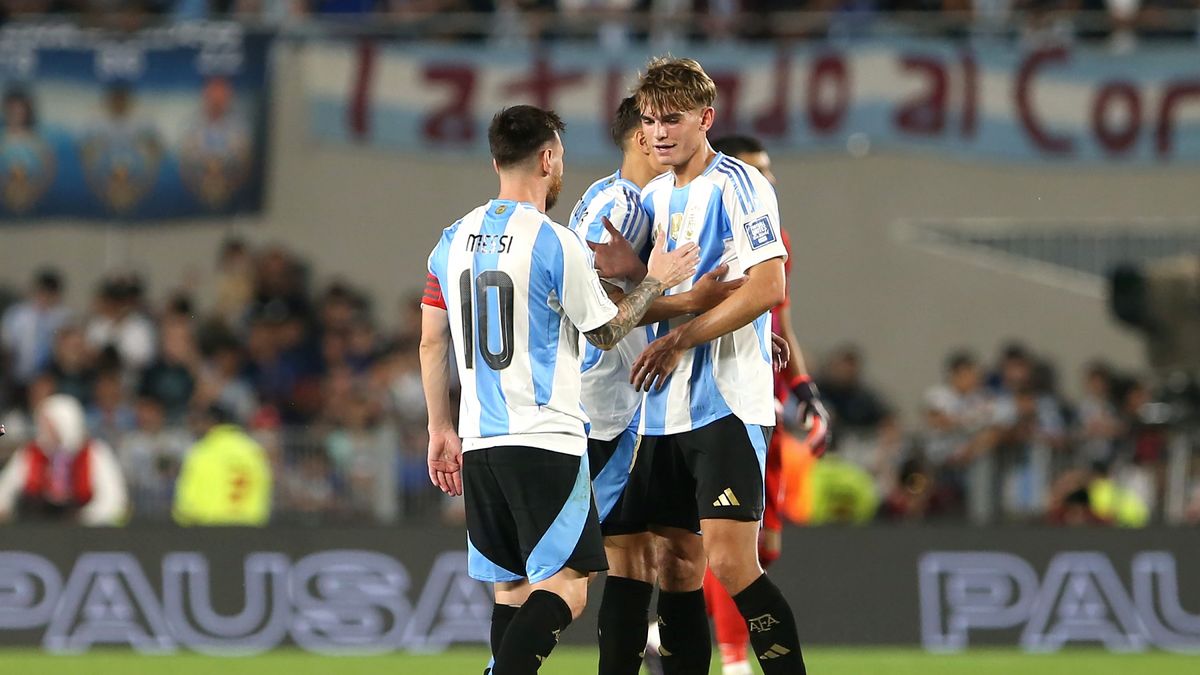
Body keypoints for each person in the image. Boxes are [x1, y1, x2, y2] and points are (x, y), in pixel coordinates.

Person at [419, 104, 698, 675]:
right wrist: (655, 281)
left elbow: (431, 342)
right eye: (562, 156)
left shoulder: (451, 240)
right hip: (545, 437)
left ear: (496, 159)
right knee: (569, 589)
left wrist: (440, 428)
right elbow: (605, 332)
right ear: (548, 159)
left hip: (479, 441)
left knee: (510, 590)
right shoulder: (554, 242)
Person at [626, 57, 808, 674]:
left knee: (731, 563)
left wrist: (680, 338)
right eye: (649, 121)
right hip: (658, 411)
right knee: (677, 565)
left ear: (706, 119)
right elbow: (645, 301)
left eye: (671, 119)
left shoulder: (740, 184)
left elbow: (767, 287)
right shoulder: (651, 196)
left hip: (725, 405)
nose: (658, 133)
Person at [568, 97, 745, 675]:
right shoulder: (622, 203)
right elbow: (599, 313)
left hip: (644, 406)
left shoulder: (640, 201)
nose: (667, 137)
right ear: (642, 139)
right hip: (611, 411)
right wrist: (692, 301)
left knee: (660, 560)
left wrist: (742, 328)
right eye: (657, 125)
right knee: (632, 562)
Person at [683, 133, 830, 675]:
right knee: (723, 551)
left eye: (769, 171)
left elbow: (778, 318)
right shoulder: (693, 230)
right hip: (704, 406)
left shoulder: (774, 239)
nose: (766, 182)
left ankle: (664, 635)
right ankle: (735, 661)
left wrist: (803, 387)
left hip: (758, 405)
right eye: (754, 172)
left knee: (759, 549)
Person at [0, 394, 127, 526]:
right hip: (36, 528)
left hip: (84, 532)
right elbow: (5, 489)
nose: (44, 430)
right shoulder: (30, 453)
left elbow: (114, 501)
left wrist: (83, 519)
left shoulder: (95, 453)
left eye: (50, 425)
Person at [173, 404, 272, 526]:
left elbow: (186, 504)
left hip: (211, 532)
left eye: (198, 423)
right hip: (250, 532)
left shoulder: (202, 451)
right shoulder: (253, 450)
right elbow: (264, 491)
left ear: (209, 422)